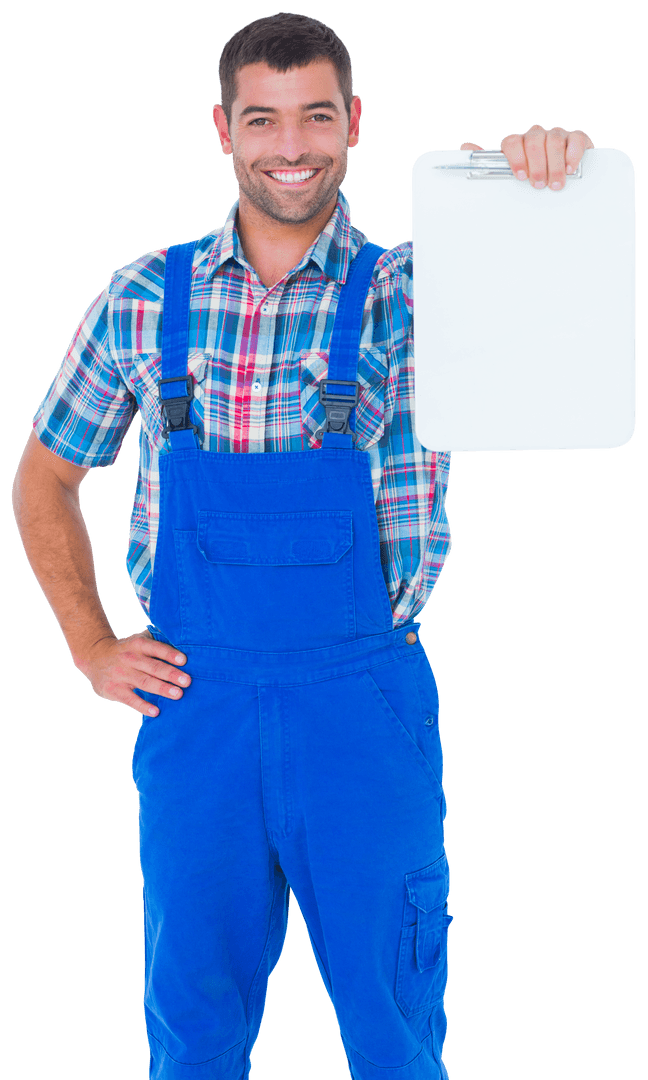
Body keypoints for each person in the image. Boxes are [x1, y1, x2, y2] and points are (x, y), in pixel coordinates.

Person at [11, 12, 594, 1080]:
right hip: (197, 707)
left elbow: (569, 315)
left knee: (395, 1036)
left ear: (354, 122)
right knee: (192, 1034)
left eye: (317, 117)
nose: (292, 146)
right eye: (263, 119)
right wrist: (91, 644)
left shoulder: (427, 288)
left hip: (363, 710)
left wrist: (537, 187)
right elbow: (44, 475)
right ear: (222, 129)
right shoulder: (144, 298)